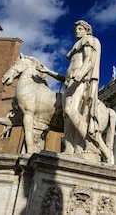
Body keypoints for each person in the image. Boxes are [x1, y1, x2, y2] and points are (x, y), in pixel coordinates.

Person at [42, 20, 101, 155]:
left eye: (80, 29)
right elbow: (66, 76)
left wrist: (79, 75)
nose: (77, 31)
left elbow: (89, 60)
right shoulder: (76, 46)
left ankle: (91, 143)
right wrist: (49, 72)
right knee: (66, 118)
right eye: (76, 30)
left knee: (70, 110)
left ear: (87, 30)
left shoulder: (88, 40)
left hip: (80, 81)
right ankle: (70, 148)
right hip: (70, 83)